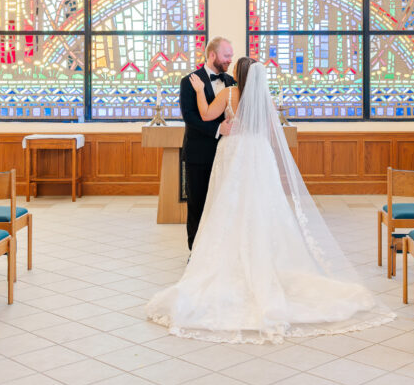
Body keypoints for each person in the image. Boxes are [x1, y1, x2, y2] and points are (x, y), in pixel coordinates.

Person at [148, 58, 393, 343]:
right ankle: (264, 253)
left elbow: (204, 115)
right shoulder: (264, 99)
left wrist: (202, 91)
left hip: (235, 150)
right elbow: (266, 130)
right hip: (258, 152)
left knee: (229, 205)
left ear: (237, 73)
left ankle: (230, 255)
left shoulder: (228, 93)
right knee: (262, 205)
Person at [178, 36, 235, 250]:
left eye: (231, 55)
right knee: (197, 205)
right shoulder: (189, 81)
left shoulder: (230, 81)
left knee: (221, 204)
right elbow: (190, 116)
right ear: (212, 55)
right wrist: (219, 129)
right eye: (226, 55)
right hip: (199, 155)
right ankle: (195, 251)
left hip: (226, 154)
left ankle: (217, 251)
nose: (230, 59)